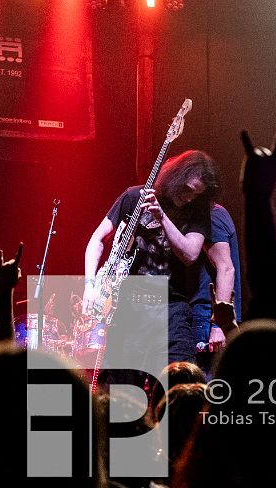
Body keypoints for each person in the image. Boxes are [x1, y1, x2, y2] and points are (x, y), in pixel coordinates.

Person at [82, 150, 219, 387]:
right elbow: (97, 239)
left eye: (197, 194)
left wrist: (162, 217)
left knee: (183, 382)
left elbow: (190, 254)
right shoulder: (134, 197)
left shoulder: (196, 211)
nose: (190, 197)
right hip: (128, 307)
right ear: (176, 177)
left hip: (170, 308)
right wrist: (89, 284)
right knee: (119, 391)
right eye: (188, 189)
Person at [189, 202, 241, 371]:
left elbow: (226, 269)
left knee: (201, 382)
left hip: (205, 319)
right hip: (204, 318)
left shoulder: (211, 216)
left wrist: (218, 326)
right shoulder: (210, 214)